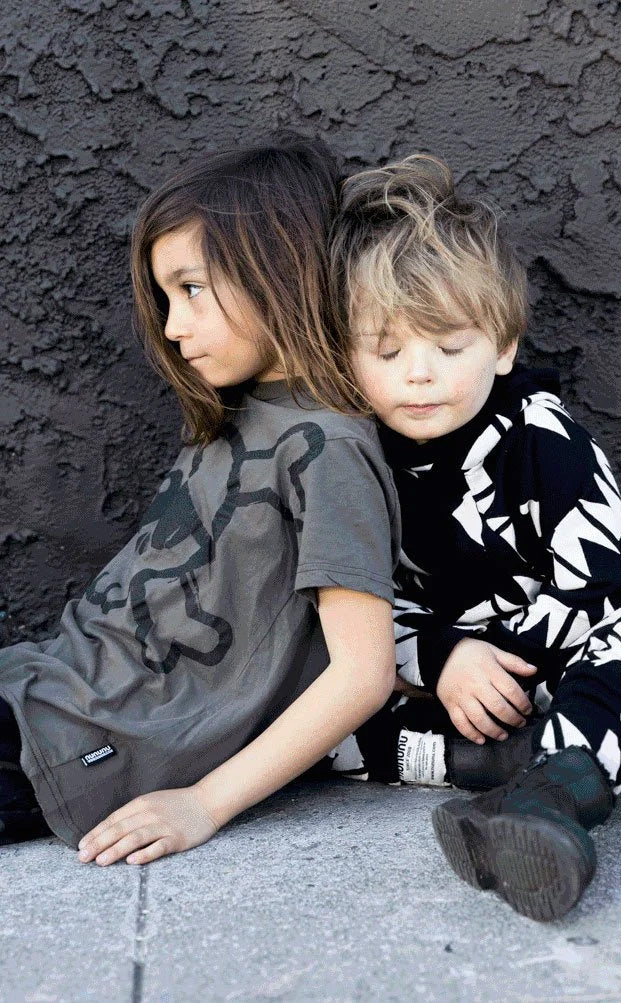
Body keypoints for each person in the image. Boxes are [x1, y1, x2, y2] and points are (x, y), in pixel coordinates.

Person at [0, 137, 402, 865]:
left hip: (79, 752)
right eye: (166, 298)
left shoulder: (328, 448)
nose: (172, 326)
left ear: (280, 268)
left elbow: (361, 674)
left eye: (190, 289)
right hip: (37, 688)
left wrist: (202, 803)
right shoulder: (239, 412)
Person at [327, 153, 621, 920]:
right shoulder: (352, 458)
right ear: (347, 359)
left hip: (555, 665)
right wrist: (444, 659)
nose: (419, 374)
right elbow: (361, 599)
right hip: (433, 687)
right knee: (309, 697)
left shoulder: (539, 436)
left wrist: (496, 664)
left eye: (448, 347)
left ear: (502, 345)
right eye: (387, 350)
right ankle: (491, 766)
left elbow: (601, 585)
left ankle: (553, 795)